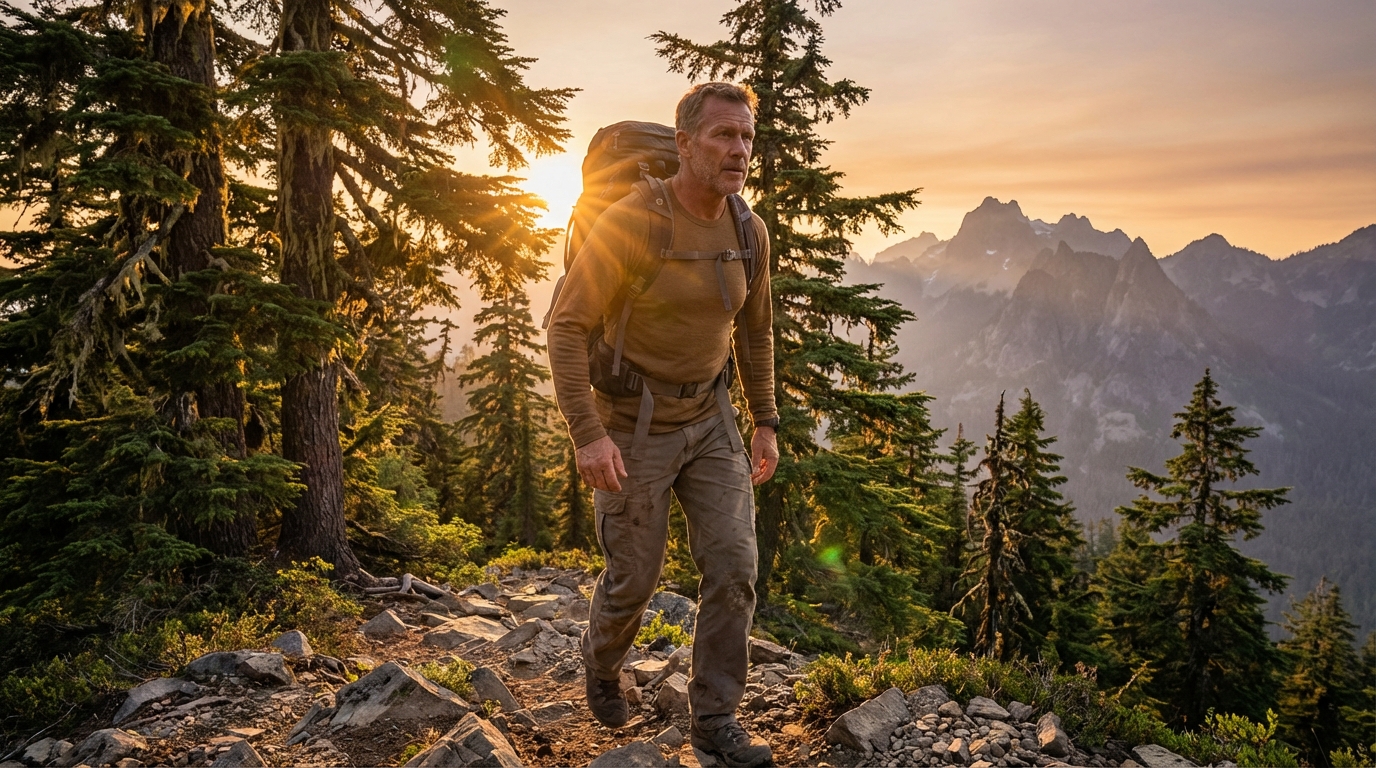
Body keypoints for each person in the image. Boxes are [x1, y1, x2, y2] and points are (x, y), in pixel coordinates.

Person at [546, 81, 779, 768]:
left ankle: (714, 717)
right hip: (631, 425)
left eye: (745, 137)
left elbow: (756, 332)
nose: (738, 151)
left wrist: (764, 420)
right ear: (684, 143)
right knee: (634, 577)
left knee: (734, 568)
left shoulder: (748, 231)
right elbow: (565, 326)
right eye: (722, 136)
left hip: (711, 418)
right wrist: (588, 433)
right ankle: (602, 662)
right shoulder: (633, 221)